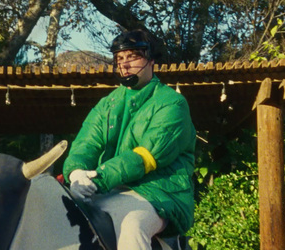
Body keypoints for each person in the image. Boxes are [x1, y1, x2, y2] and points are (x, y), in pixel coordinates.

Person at [63, 29, 196, 250]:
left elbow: (146, 156)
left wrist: (97, 180)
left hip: (160, 193)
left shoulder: (173, 103)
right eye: (119, 59)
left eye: (133, 57)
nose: (124, 64)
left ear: (151, 60)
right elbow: (87, 142)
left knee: (132, 225)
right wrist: (75, 173)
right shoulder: (107, 103)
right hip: (110, 188)